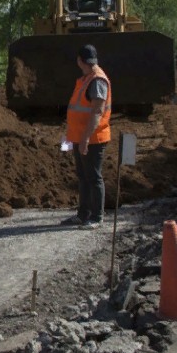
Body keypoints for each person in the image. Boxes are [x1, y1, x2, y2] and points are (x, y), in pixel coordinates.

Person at [62, 44, 111, 229]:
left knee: (94, 177)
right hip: (80, 136)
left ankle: (97, 217)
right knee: (83, 177)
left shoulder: (97, 80)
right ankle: (83, 215)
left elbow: (97, 111)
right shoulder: (87, 79)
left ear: (79, 60)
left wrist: (85, 139)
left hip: (93, 138)